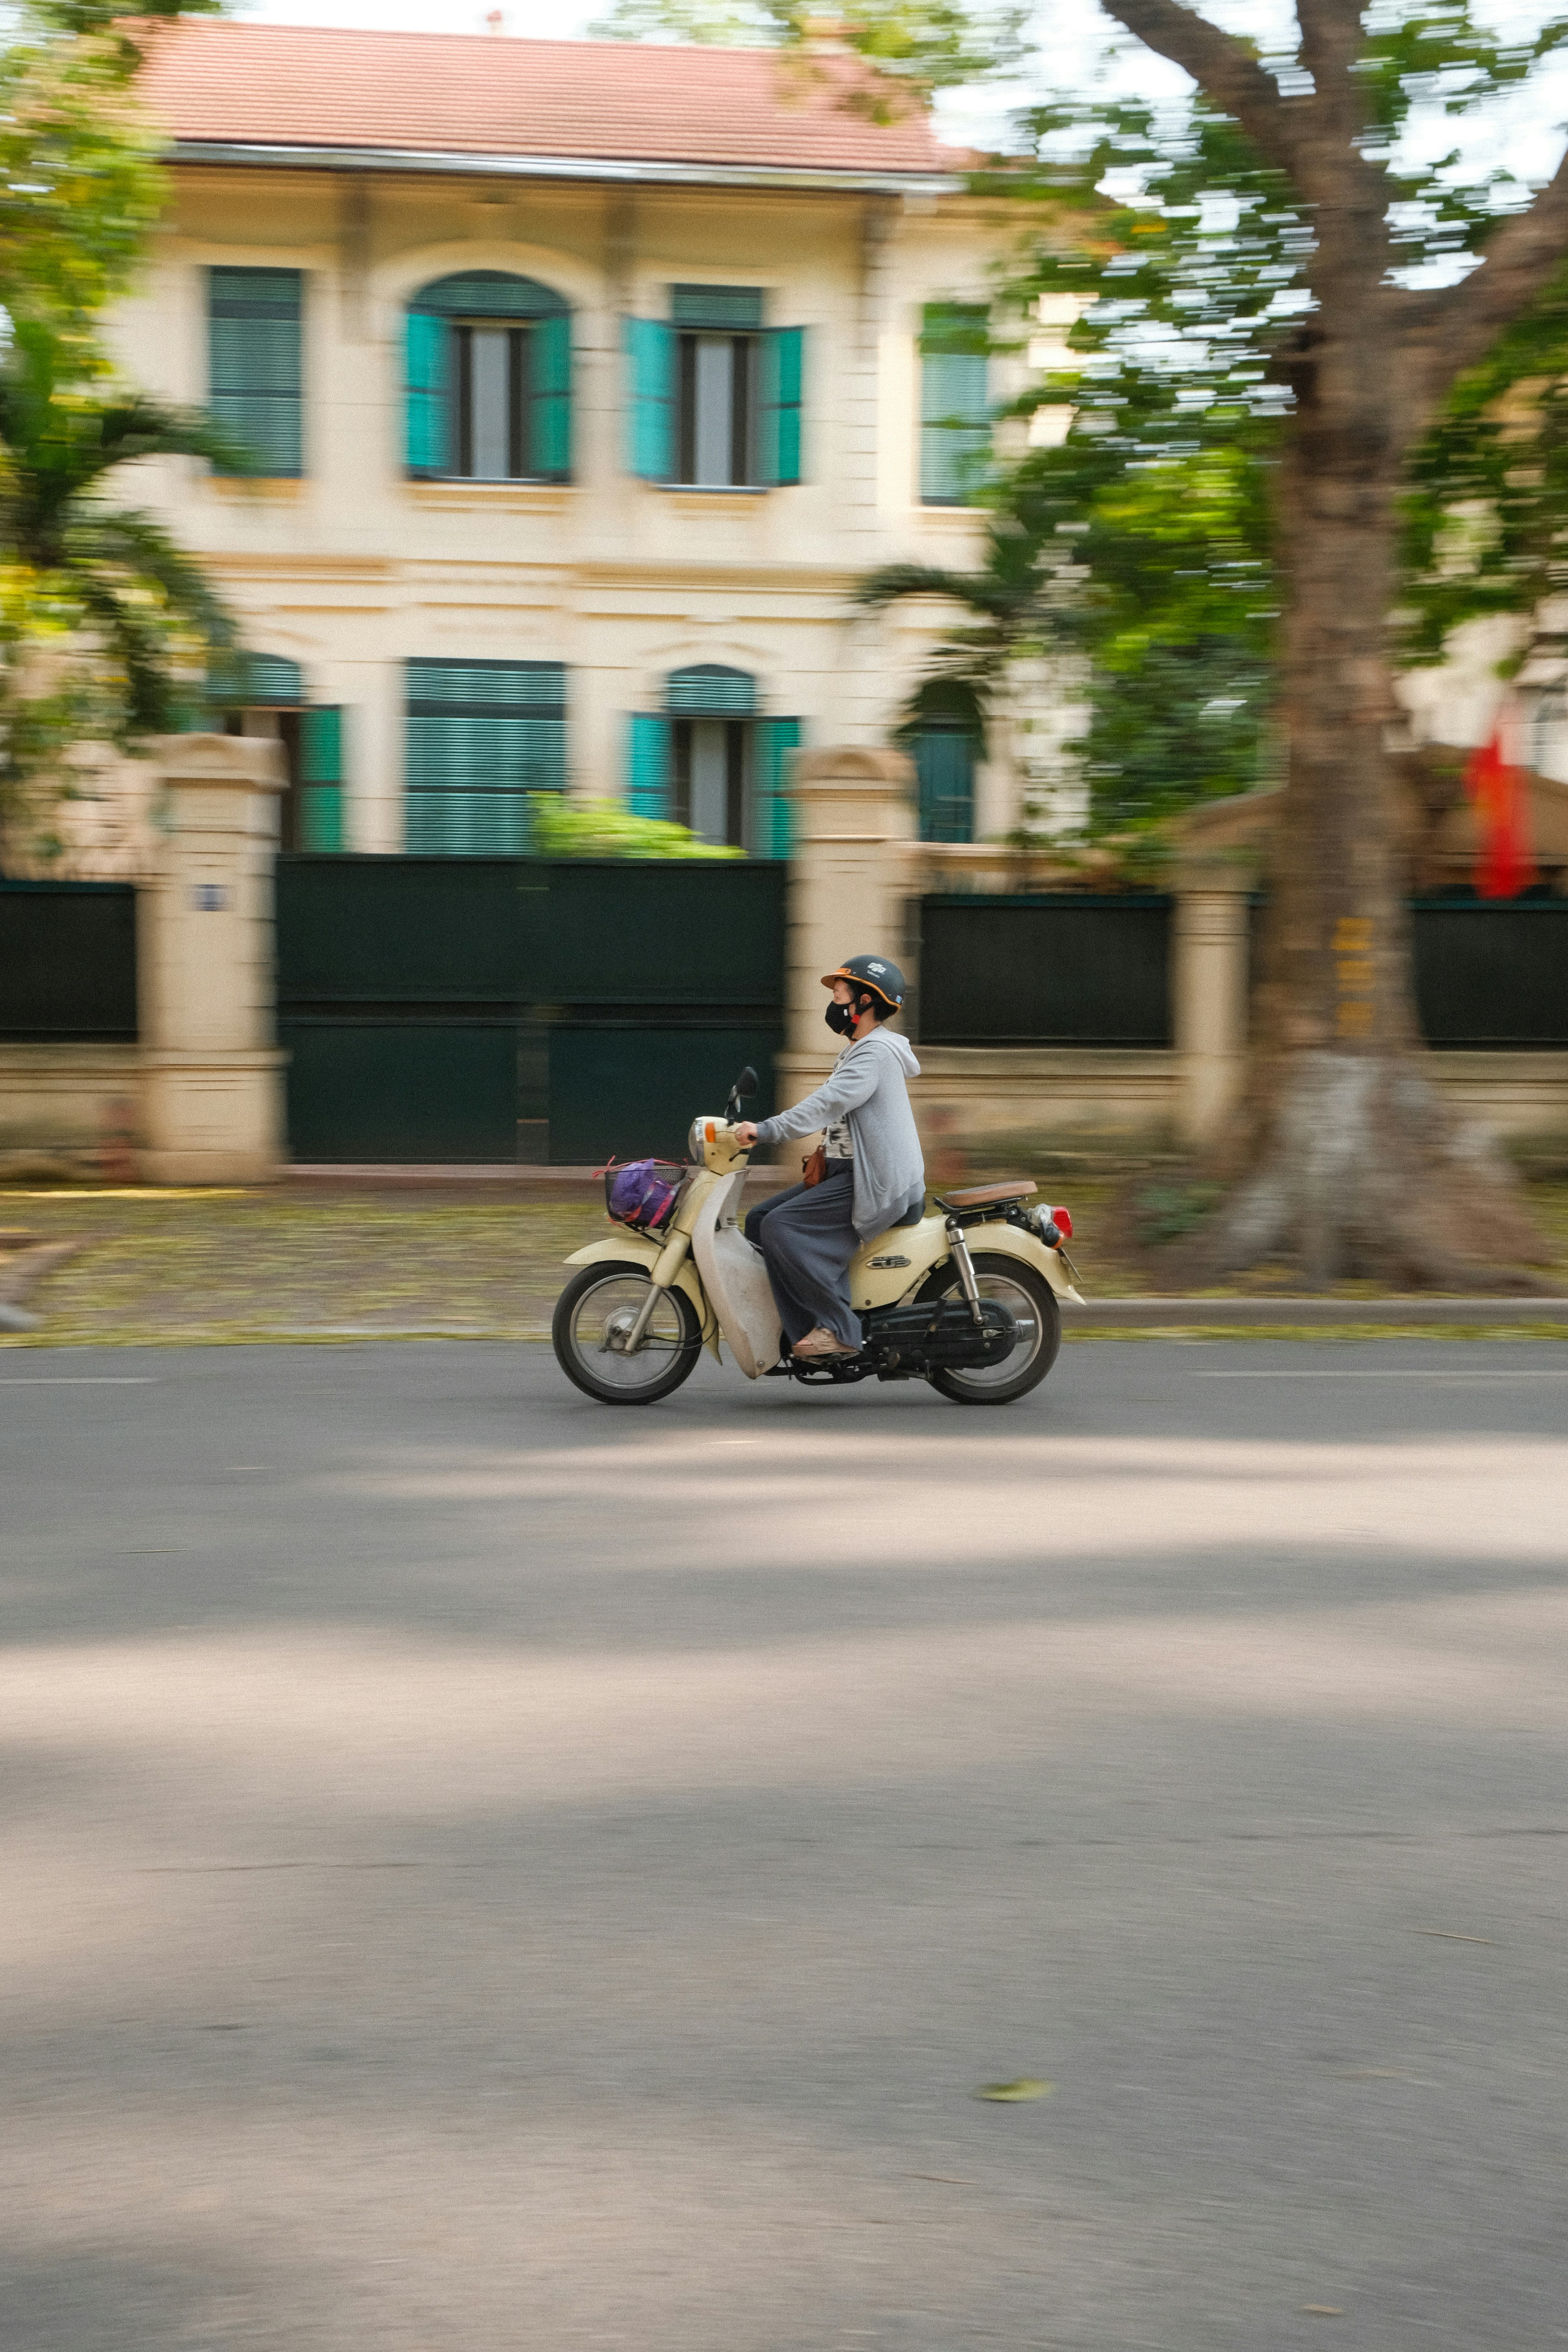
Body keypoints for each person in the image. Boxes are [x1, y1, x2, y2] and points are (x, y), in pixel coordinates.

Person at [732, 954, 924, 1361]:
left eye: (840, 996)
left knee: (782, 1228)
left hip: (875, 1178)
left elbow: (828, 1103)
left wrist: (765, 1129)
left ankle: (840, 1330)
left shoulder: (876, 1053)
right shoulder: (860, 1051)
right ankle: (795, 1323)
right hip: (849, 1171)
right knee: (759, 1221)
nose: (834, 1005)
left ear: (866, 1003)